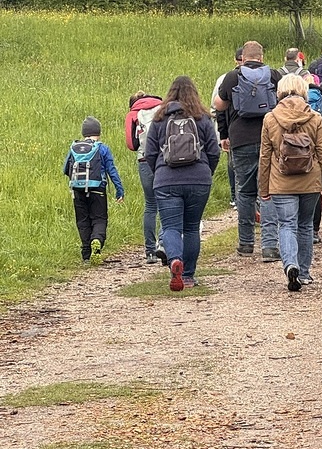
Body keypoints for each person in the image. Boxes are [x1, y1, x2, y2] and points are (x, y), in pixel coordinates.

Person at [258, 74, 322, 290]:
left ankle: (291, 264)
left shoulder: (270, 118)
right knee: (305, 225)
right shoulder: (315, 118)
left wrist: (263, 188)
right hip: (310, 180)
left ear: (280, 91)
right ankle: (305, 273)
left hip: (281, 181)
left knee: (286, 224)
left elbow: (264, 156)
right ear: (303, 91)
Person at [144, 77, 220, 291]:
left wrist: (160, 171)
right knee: (191, 227)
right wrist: (206, 172)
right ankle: (187, 276)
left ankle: (175, 260)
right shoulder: (202, 118)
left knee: (171, 227)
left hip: (166, 180)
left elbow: (150, 153)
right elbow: (214, 151)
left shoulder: (159, 119)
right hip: (198, 180)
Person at [214, 40, 282, 261]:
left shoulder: (232, 77)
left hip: (240, 139)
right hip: (268, 139)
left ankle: (245, 243)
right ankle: (269, 246)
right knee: (267, 190)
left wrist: (224, 135)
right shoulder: (273, 75)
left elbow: (219, 106)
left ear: (242, 58)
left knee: (244, 191)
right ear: (261, 57)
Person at [64, 116, 125, 264]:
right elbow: (112, 170)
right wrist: (119, 189)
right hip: (98, 189)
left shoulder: (74, 148)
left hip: (77, 189)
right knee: (99, 219)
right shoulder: (102, 148)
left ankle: (86, 254)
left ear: (84, 132)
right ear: (99, 132)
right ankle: (96, 241)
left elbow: (65, 169)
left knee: (82, 220)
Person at [126, 92, 163, 264]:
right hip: (163, 161)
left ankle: (150, 251)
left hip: (144, 160)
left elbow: (131, 144)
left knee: (150, 205)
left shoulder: (133, 114)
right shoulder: (163, 108)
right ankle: (164, 244)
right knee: (166, 202)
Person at [212, 48, 243, 208]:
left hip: (233, 128)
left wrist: (222, 133)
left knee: (233, 163)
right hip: (257, 130)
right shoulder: (263, 77)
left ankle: (235, 197)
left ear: (235, 60)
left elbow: (216, 107)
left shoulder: (225, 78)